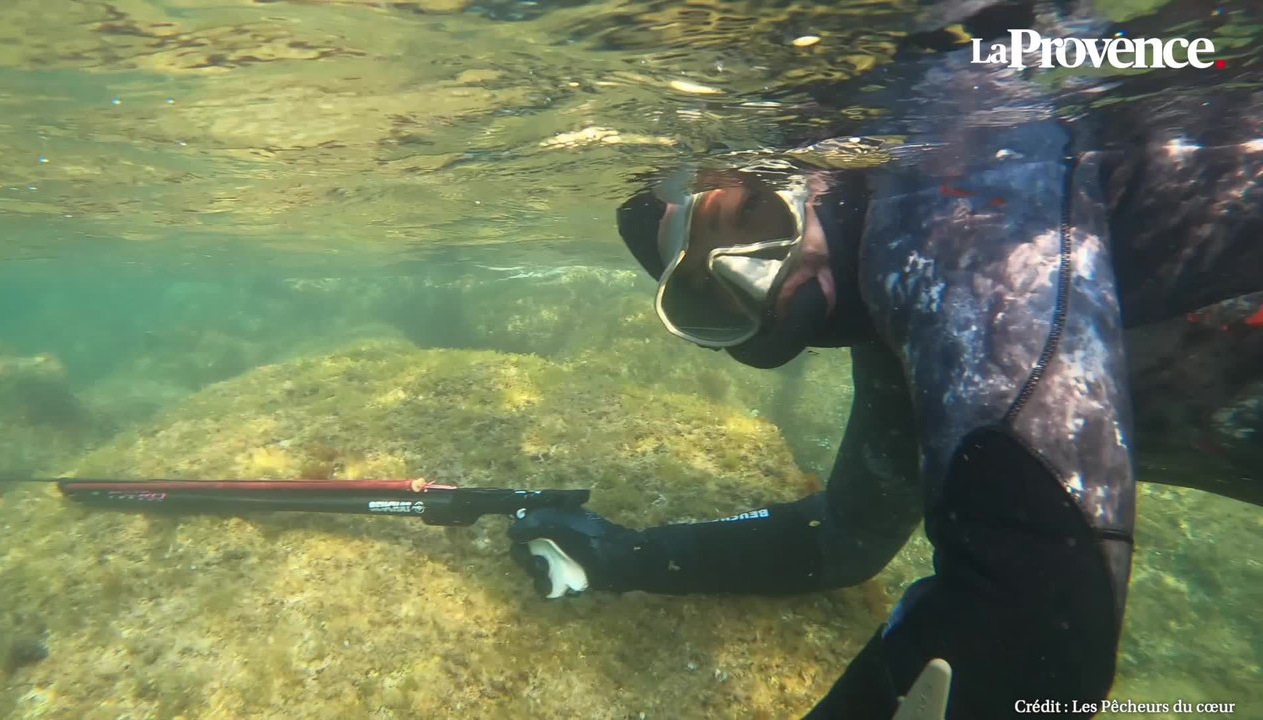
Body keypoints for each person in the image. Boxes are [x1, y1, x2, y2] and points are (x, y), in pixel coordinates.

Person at [508, 1, 1262, 717]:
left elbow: (1031, 629)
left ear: (810, 167)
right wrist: (619, 558)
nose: (751, 275)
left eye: (747, 214)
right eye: (710, 292)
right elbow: (841, 540)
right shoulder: (911, 318)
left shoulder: (947, 208)